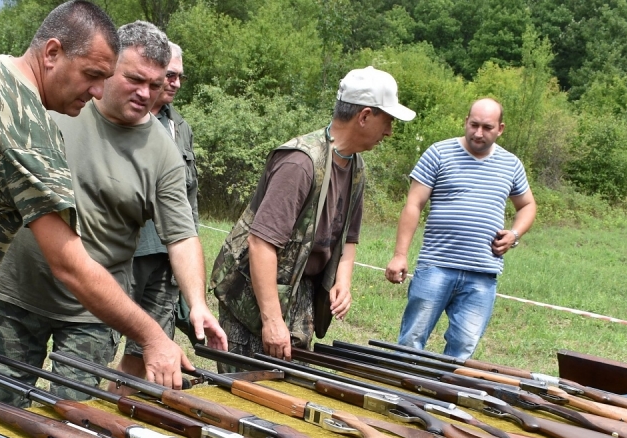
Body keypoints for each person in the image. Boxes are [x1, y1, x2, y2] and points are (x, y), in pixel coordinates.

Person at [0, 1, 199, 414]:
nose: (97, 90)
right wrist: (153, 337)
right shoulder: (28, 124)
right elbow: (69, 264)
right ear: (52, 53)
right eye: (93, 75)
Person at [211, 66, 415, 366]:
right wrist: (272, 320)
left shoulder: (357, 168)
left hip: (298, 294)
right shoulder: (300, 163)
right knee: (243, 390)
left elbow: (349, 238)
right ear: (365, 116)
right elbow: (261, 244)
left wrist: (342, 280)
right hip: (252, 296)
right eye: (387, 121)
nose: (389, 131)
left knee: (289, 387)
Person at [385, 98, 537, 359]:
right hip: (436, 265)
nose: (478, 133)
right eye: (474, 124)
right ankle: (402, 390)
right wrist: (400, 255)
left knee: (463, 348)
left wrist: (514, 235)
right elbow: (413, 204)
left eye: (487, 127)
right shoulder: (438, 153)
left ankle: (442, 396)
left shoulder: (511, 164)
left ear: (500, 129)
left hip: (482, 273)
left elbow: (527, 205)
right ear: (465, 122)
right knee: (411, 340)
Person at [116, 41, 198, 380]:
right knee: (102, 338)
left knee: (148, 346)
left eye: (180, 76)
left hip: (167, 256)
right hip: (127, 253)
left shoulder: (180, 127)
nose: (175, 83)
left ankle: (128, 405)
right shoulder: (121, 116)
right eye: (169, 75)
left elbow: (188, 194)